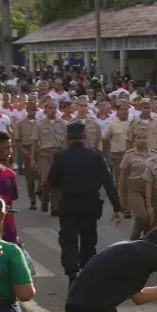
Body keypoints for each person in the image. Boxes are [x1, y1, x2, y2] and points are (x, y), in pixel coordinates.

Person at [49, 121, 123, 285]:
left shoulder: (61, 156)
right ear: (85, 136)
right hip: (89, 202)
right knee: (89, 237)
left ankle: (71, 272)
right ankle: (87, 270)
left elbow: (52, 180)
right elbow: (108, 181)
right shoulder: (95, 156)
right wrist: (117, 206)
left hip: (68, 202)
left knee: (68, 238)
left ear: (68, 138)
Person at [119, 131, 155, 240]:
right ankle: (133, 239)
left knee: (150, 219)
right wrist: (120, 196)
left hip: (150, 188)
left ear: (148, 139)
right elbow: (122, 176)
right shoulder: (129, 154)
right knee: (141, 217)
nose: (142, 140)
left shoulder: (154, 154)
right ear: (135, 140)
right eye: (139, 138)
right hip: (135, 189)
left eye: (144, 137)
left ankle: (145, 243)